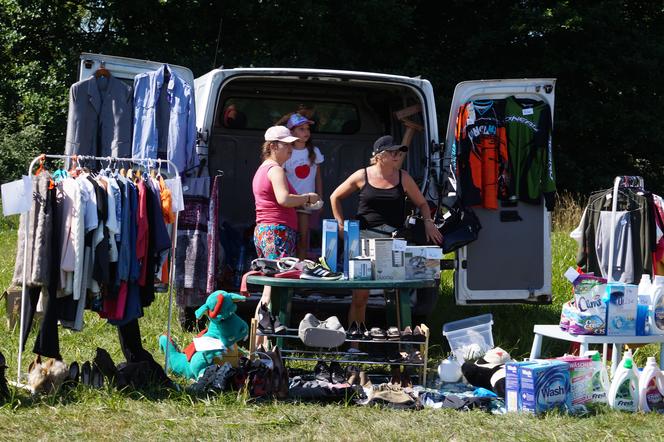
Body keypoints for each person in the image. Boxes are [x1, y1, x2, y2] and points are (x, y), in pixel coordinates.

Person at [330, 135, 442, 335]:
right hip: (363, 240)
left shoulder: (403, 177)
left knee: (397, 295)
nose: (397, 155)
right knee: (360, 296)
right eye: (392, 152)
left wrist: (428, 223)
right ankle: (355, 343)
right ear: (379, 156)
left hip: (393, 241)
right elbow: (334, 197)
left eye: (399, 152)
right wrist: (339, 224)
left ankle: (402, 343)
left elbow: (423, 203)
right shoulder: (361, 175)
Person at [252, 126, 320, 329]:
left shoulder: (263, 169)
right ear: (273, 146)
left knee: (269, 285)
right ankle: (265, 341)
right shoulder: (276, 170)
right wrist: (307, 197)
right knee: (272, 289)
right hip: (277, 232)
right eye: (287, 144)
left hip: (267, 231)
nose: (291, 148)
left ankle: (262, 340)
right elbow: (283, 199)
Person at [282, 113, 325, 259]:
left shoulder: (314, 151)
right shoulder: (287, 152)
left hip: (307, 202)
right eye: (301, 129)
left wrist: (320, 197)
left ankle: (300, 268)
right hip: (290, 201)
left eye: (307, 129)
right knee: (288, 237)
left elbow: (318, 177)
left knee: (303, 238)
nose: (306, 132)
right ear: (291, 132)